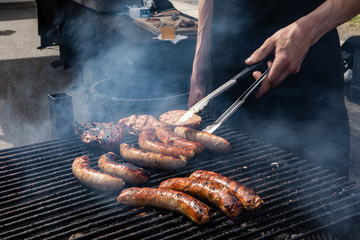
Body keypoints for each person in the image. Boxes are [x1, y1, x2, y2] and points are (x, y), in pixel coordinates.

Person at [188, 0, 360, 178]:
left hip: (301, 85)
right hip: (225, 75)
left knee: (314, 194)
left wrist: (308, 30)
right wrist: (199, 67)